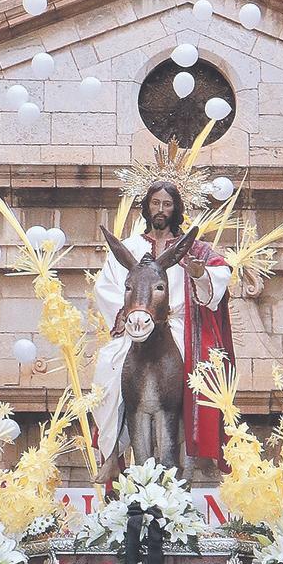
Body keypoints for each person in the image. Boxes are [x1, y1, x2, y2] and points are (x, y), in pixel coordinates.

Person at [92, 178, 233, 471]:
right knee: (109, 366)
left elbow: (218, 283)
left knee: (200, 370)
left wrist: (198, 274)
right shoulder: (129, 247)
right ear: (146, 207)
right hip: (136, 322)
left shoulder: (194, 250)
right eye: (155, 203)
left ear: (176, 209)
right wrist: (126, 314)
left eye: (167, 204)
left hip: (180, 324)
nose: (161, 209)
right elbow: (105, 286)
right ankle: (112, 447)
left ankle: (198, 442)